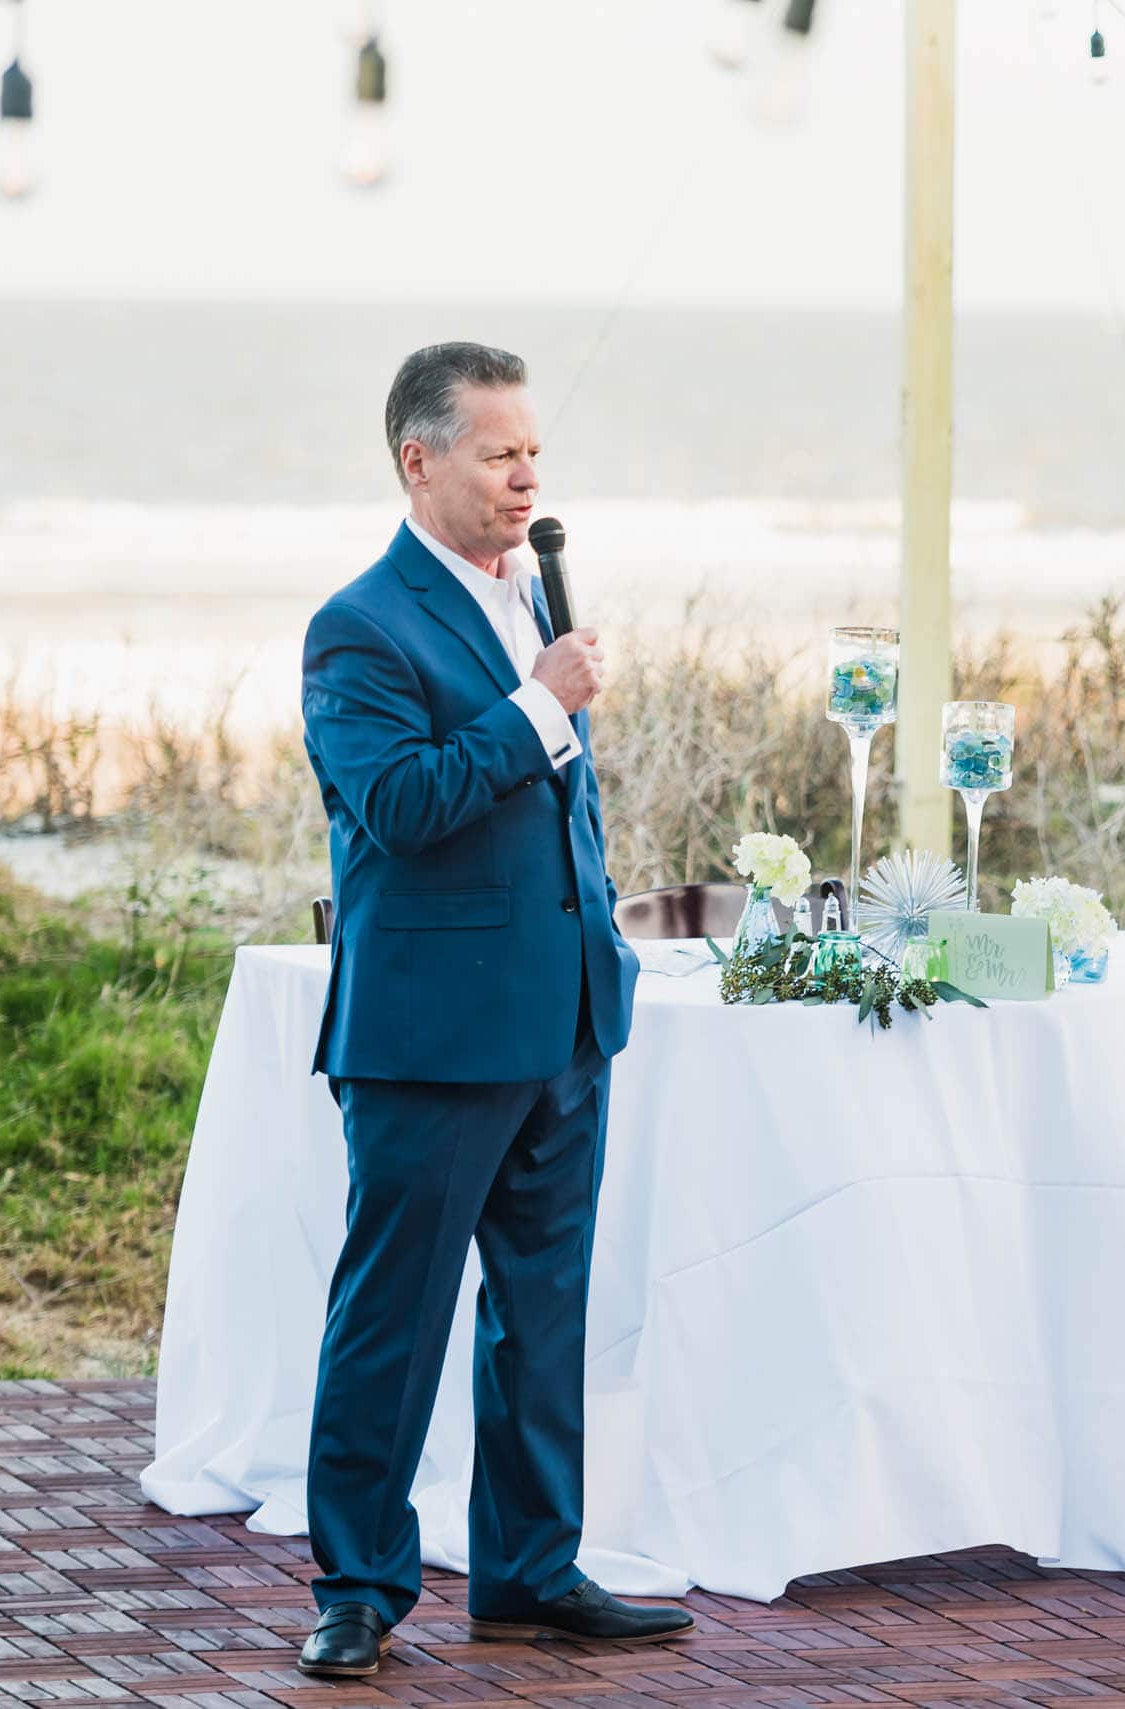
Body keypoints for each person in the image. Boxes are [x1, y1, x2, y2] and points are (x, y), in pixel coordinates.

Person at [293, 343, 690, 1677]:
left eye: (534, 453)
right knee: (393, 1315)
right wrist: (540, 706)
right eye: (499, 452)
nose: (527, 476)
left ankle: (529, 1570)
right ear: (421, 460)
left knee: (544, 1310)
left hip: (566, 1015)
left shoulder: (531, 598)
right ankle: (357, 1581)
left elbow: (556, 810)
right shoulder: (361, 624)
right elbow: (397, 809)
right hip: (432, 1031)